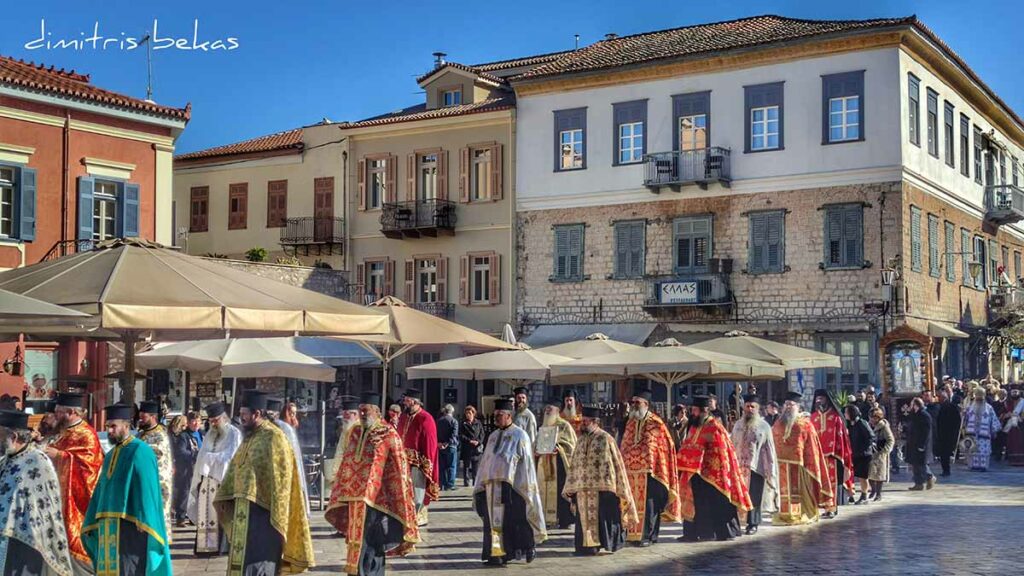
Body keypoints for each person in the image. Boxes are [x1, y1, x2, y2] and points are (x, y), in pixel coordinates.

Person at [215, 391, 314, 575]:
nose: (241, 418)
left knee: (260, 562)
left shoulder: (274, 437)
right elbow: (237, 468)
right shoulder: (250, 436)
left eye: (244, 414)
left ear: (257, 414)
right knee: (244, 560)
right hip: (244, 510)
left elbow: (283, 476)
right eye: (240, 413)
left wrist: (278, 509)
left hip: (265, 513)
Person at [325, 393, 419, 576]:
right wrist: (341, 486)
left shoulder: (388, 433)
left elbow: (399, 467)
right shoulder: (354, 432)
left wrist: (397, 494)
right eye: (360, 410)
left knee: (371, 539)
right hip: (353, 496)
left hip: (377, 499)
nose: (361, 414)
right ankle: (358, 572)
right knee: (356, 537)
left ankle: (371, 572)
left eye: (365, 410)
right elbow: (348, 460)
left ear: (376, 411)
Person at [82, 404, 172, 576]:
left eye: (113, 426)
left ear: (126, 425)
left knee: (129, 568)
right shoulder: (110, 455)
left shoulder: (140, 450)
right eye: (107, 426)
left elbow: (147, 488)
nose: (109, 431)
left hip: (131, 523)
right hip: (108, 522)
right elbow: (101, 489)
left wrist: (144, 518)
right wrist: (93, 516)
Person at [0, 409, 74, 576]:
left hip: (28, 542)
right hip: (5, 540)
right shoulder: (6, 460)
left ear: (14, 437)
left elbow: (44, 506)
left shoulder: (38, 462)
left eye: (0, 436)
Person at [473, 398, 545, 566]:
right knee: (493, 523)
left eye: (499, 415)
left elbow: (525, 465)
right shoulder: (492, 436)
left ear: (509, 415)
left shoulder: (520, 435)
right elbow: (486, 462)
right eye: (495, 415)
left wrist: (517, 484)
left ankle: (529, 547)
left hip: (514, 488)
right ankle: (496, 554)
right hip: (491, 488)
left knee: (518, 520)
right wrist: (480, 486)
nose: (496, 418)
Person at [562, 406, 637, 556]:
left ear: (595, 421)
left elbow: (615, 464)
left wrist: (611, 484)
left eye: (586, 421)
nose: (583, 423)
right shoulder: (581, 440)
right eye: (583, 420)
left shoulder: (606, 439)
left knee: (604, 517)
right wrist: (572, 484)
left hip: (602, 489)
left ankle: (606, 543)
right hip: (582, 488)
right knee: (583, 519)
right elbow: (574, 464)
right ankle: (586, 547)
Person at [45, 391, 104, 574]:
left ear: (72, 412)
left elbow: (90, 468)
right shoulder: (64, 432)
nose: (56, 415)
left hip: (76, 503)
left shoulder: (86, 434)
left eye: (59, 412)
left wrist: (60, 456)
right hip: (57, 497)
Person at [677, 396, 751, 542]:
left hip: (713, 473)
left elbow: (722, 452)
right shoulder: (694, 426)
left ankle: (722, 532)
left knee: (717, 503)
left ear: (704, 410)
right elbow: (688, 444)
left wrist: (702, 457)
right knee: (696, 503)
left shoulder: (715, 427)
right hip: (695, 473)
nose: (693, 413)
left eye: (695, 410)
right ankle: (694, 533)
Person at [619, 385, 679, 546]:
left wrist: (647, 461)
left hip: (651, 473)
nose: (634, 405)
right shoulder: (631, 422)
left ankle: (648, 536)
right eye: (633, 403)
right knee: (632, 504)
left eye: (637, 403)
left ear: (646, 404)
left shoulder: (656, 423)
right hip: (632, 473)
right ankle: (633, 536)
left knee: (650, 507)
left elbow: (663, 447)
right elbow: (625, 444)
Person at [188, 401, 242, 556]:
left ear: (223, 418)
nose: (213, 424)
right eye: (210, 421)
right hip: (206, 482)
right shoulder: (209, 435)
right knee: (206, 514)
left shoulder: (234, 434)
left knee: (223, 515)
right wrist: (206, 461)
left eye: (215, 421)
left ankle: (223, 547)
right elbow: (201, 456)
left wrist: (210, 459)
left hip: (223, 481)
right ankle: (206, 547)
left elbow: (231, 456)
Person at [772, 392, 834, 525]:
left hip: (800, 464)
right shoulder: (778, 423)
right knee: (784, 491)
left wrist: (809, 461)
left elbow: (812, 445)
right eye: (786, 404)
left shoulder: (805, 424)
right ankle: (786, 514)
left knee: (799, 491)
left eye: (791, 404)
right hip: (781, 463)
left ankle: (800, 513)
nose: (788, 407)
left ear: (798, 407)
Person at [729, 394, 779, 535]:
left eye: (753, 407)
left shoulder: (764, 426)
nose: (749, 409)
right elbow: (732, 443)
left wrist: (770, 469)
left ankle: (753, 523)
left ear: (758, 409)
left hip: (756, 467)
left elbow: (769, 448)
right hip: (739, 466)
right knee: (738, 495)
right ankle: (738, 522)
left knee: (754, 496)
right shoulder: (738, 424)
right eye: (747, 406)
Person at [398, 389, 439, 526]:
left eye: (407, 400)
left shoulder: (425, 418)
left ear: (414, 401)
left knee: (417, 491)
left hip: (418, 463)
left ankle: (418, 516)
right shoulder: (404, 417)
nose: (404, 402)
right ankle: (406, 515)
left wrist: (426, 464)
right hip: (402, 462)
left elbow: (430, 443)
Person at [810, 389, 853, 516]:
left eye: (822, 399)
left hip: (832, 457)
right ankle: (821, 507)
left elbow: (842, 438)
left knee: (831, 482)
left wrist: (840, 454)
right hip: (816, 457)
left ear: (827, 400)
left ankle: (832, 508)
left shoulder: (835, 418)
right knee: (818, 482)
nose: (819, 401)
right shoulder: (812, 417)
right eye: (817, 399)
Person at [536, 396, 577, 530]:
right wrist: (535, 450)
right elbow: (535, 444)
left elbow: (571, 446)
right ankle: (545, 519)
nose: (547, 411)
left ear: (557, 411)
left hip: (559, 465)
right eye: (546, 409)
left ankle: (564, 519)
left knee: (560, 492)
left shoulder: (564, 426)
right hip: (544, 464)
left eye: (550, 409)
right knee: (543, 491)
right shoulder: (543, 426)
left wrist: (558, 448)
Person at [267, 397, 310, 517]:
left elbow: (293, 451)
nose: (293, 415)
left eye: (294, 413)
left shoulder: (287, 428)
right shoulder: (281, 426)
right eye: (290, 413)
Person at [138, 399, 174, 539]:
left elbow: (155, 457)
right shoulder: (142, 434)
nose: (140, 419)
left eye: (143, 416)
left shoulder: (159, 435)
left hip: (157, 484)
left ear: (153, 417)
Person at [169, 414, 199, 527]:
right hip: (185, 467)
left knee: (195, 493)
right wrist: (195, 454)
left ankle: (192, 517)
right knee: (184, 492)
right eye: (193, 421)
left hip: (197, 468)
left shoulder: (200, 434)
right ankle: (180, 517)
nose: (196, 424)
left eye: (198, 421)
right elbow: (180, 451)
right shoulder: (183, 436)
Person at [963, 387, 1001, 471]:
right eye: (978, 397)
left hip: (984, 434)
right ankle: (973, 466)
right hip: (972, 434)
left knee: (984, 451)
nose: (979, 399)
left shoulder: (989, 408)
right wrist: (963, 415)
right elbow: (965, 420)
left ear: (984, 397)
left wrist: (994, 430)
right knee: (973, 450)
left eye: (981, 397)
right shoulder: (970, 408)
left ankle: (983, 466)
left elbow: (993, 419)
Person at [844, 405, 875, 504]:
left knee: (863, 476)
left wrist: (864, 448)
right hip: (855, 454)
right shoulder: (850, 424)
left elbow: (871, 437)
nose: (845, 414)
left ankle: (864, 496)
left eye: (846, 412)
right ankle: (860, 494)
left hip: (864, 454)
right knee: (859, 476)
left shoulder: (862, 423)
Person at [906, 397, 936, 490]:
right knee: (915, 464)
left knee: (921, 464)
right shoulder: (914, 414)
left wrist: (922, 444)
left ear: (916, 405)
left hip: (921, 443)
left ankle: (929, 477)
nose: (911, 406)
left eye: (912, 405)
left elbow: (926, 432)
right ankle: (918, 483)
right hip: (913, 443)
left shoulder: (924, 415)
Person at [867, 408, 894, 502]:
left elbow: (890, 439)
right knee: (869, 474)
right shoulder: (869, 425)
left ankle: (878, 493)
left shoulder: (884, 426)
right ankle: (873, 490)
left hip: (880, 453)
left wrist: (885, 451)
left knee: (879, 475)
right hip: (871, 452)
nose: (871, 419)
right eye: (870, 417)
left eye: (873, 418)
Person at [934, 389, 961, 476]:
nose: (938, 399)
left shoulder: (950, 407)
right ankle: (945, 469)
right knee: (943, 454)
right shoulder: (942, 406)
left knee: (945, 454)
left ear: (944, 398)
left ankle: (946, 470)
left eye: (939, 397)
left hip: (947, 434)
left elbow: (957, 421)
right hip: (943, 434)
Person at [459, 405, 485, 487]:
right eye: (467, 413)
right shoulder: (463, 423)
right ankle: (466, 482)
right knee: (466, 466)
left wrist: (478, 442)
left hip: (476, 448)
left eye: (470, 413)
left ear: (473, 414)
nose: (468, 415)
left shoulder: (478, 423)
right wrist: (469, 441)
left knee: (475, 467)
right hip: (467, 448)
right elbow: (461, 435)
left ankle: (475, 481)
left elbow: (482, 433)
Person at [436, 404, 460, 491]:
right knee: (451, 466)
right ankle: (450, 484)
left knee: (442, 466)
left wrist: (439, 443)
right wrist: (447, 443)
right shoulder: (454, 421)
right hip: (451, 446)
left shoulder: (438, 421)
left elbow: (436, 433)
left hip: (440, 446)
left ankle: (442, 483)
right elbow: (454, 435)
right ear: (452, 412)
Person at [1004, 385, 1024, 466]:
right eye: (1013, 392)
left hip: (1020, 425)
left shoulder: (1022, 402)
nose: (1014, 393)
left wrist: (1021, 417)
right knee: (1011, 442)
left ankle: (1021, 460)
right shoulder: (1007, 402)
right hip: (1010, 427)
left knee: (1020, 442)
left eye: (1016, 392)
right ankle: (1012, 460)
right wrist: (1006, 415)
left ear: (1019, 392)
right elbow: (1002, 413)